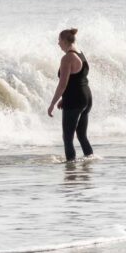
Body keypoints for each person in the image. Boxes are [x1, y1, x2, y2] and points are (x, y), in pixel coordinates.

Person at [47, 26, 94, 160]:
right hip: (86, 98)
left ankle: (70, 170)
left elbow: (63, 85)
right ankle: (90, 161)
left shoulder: (67, 58)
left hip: (75, 100)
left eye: (59, 40)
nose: (58, 44)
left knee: (67, 138)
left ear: (64, 41)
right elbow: (76, 79)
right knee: (81, 135)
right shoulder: (80, 53)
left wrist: (52, 104)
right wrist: (64, 99)